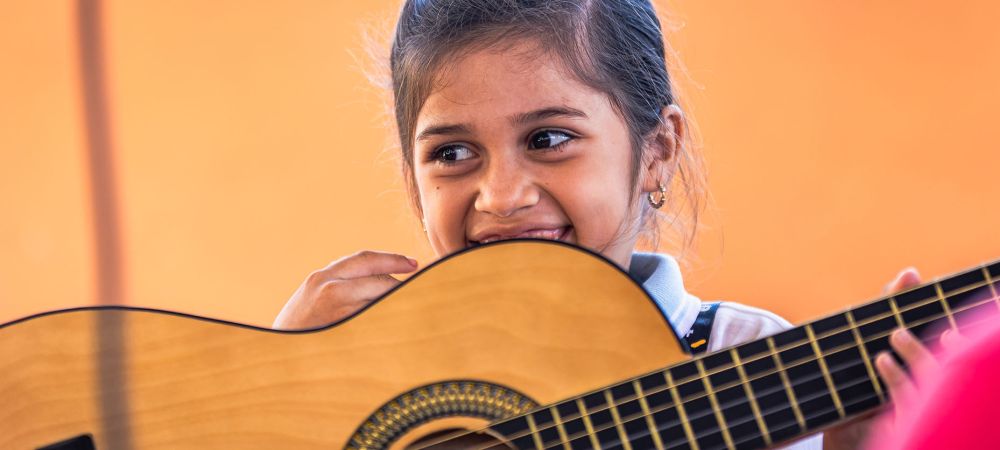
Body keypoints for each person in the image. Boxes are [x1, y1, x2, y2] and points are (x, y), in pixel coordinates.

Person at [272, 1, 935, 448]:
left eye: (549, 138)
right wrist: (273, 393)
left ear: (656, 151)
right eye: (452, 154)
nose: (500, 195)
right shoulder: (365, 376)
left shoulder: (749, 359)